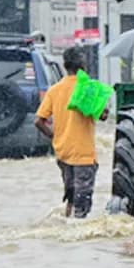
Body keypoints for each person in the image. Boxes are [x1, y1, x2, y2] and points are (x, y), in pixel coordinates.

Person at [36, 48, 108, 219]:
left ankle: (67, 222)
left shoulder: (54, 90)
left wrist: (54, 135)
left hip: (63, 152)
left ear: (65, 65)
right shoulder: (88, 88)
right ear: (83, 65)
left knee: (70, 194)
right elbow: (104, 115)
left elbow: (38, 121)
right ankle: (77, 234)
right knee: (82, 202)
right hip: (83, 154)